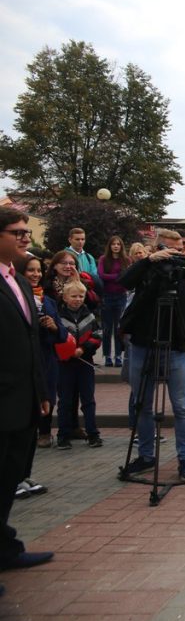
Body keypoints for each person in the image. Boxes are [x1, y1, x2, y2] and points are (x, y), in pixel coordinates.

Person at [118, 229, 185, 482]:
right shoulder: (146, 270)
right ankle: (147, 456)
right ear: (156, 248)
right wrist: (149, 261)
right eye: (168, 249)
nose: (174, 254)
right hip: (143, 344)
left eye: (180, 249)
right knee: (143, 405)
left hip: (176, 348)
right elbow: (124, 282)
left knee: (182, 407)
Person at [0, 207, 55, 581]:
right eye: (17, 232)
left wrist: (41, 390)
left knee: (10, 478)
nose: (25, 238)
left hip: (23, 399)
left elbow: (31, 341)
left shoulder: (18, 281)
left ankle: (5, 549)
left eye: (25, 232)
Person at [17, 255, 64, 451]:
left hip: (47, 357)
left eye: (38, 270)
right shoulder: (15, 297)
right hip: (24, 358)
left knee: (48, 396)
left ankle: (45, 432)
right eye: (31, 270)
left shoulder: (49, 301)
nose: (35, 274)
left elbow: (62, 334)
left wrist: (53, 327)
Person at [54, 280, 103, 450]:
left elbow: (97, 335)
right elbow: (55, 339)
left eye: (80, 296)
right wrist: (67, 350)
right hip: (65, 364)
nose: (77, 299)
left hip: (85, 362)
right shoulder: (58, 316)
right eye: (73, 296)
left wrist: (84, 348)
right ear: (65, 297)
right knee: (65, 401)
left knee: (88, 399)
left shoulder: (89, 315)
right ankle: (63, 435)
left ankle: (93, 433)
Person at [97, 235, 130, 367]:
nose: (116, 246)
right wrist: (117, 276)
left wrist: (116, 277)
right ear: (109, 246)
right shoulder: (103, 259)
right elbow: (101, 275)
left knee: (118, 328)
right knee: (107, 328)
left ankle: (118, 356)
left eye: (118, 244)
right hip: (107, 296)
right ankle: (107, 356)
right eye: (113, 244)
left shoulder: (125, 260)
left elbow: (127, 275)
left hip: (121, 296)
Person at [64, 227, 100, 292]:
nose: (80, 242)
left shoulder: (89, 257)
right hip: (69, 291)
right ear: (70, 240)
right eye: (77, 239)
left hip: (87, 291)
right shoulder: (63, 255)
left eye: (82, 239)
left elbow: (94, 276)